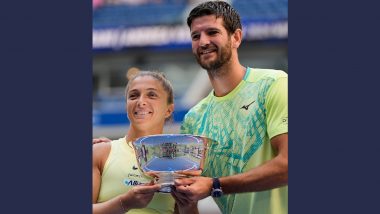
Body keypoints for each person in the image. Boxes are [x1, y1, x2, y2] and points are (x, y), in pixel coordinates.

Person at [171, 1, 288, 214]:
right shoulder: (194, 118)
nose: (203, 41)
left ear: (236, 37)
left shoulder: (273, 84)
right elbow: (188, 203)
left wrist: (216, 185)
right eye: (195, 36)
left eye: (212, 32)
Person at [93, 71, 198, 214]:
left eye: (152, 95)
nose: (141, 101)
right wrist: (124, 203)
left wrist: (189, 207)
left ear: (169, 110)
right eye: (133, 95)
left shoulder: (182, 163)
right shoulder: (101, 153)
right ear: (127, 106)